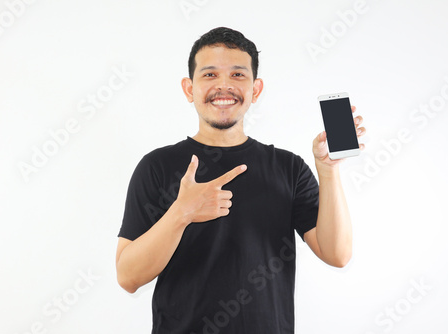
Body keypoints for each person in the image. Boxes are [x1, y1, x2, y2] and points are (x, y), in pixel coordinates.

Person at [116, 27, 366, 334]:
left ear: (255, 89)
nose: (223, 86)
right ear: (188, 88)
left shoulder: (289, 168)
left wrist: (327, 171)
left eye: (237, 75)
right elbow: (128, 277)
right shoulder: (157, 166)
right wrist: (182, 213)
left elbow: (337, 254)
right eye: (209, 75)